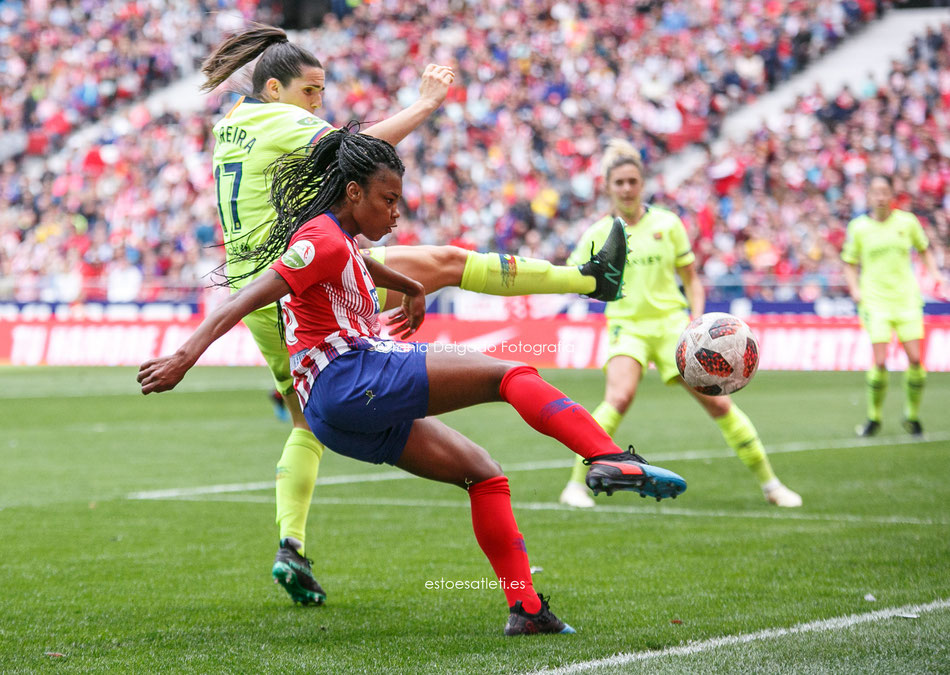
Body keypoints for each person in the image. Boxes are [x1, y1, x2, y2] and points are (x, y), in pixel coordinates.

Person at [138, 129, 686, 635]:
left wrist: (410, 285)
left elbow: (359, 262)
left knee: (485, 475)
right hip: (351, 376)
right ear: (353, 193)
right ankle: (610, 457)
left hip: (336, 417)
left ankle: (527, 609)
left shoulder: (339, 236)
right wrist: (183, 357)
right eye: (388, 199)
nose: (397, 214)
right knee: (512, 373)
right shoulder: (320, 241)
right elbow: (245, 297)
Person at [201, 24, 628, 606]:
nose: (317, 106)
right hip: (308, 274)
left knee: (305, 422)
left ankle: (291, 544)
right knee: (450, 262)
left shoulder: (231, 126)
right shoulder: (277, 119)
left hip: (260, 295)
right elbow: (354, 153)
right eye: (311, 92)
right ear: (272, 87)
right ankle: (589, 279)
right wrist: (426, 102)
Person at [557, 139, 802, 509]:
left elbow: (691, 279)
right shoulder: (596, 233)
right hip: (628, 327)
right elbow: (578, 281)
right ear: (607, 187)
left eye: (632, 182)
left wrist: (696, 322)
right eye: (619, 182)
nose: (626, 188)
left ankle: (771, 485)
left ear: (642, 184)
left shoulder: (667, 224)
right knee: (617, 398)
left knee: (720, 406)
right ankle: (575, 485)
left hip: (673, 326)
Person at [842, 175, 949, 438]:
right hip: (875, 301)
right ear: (868, 196)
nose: (879, 196)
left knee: (915, 359)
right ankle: (873, 417)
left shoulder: (907, 222)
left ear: (892, 195)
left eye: (884, 191)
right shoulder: (859, 227)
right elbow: (849, 262)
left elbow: (924, 249)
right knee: (880, 362)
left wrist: (935, 274)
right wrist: (854, 288)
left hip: (907, 300)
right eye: (875, 191)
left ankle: (912, 417)